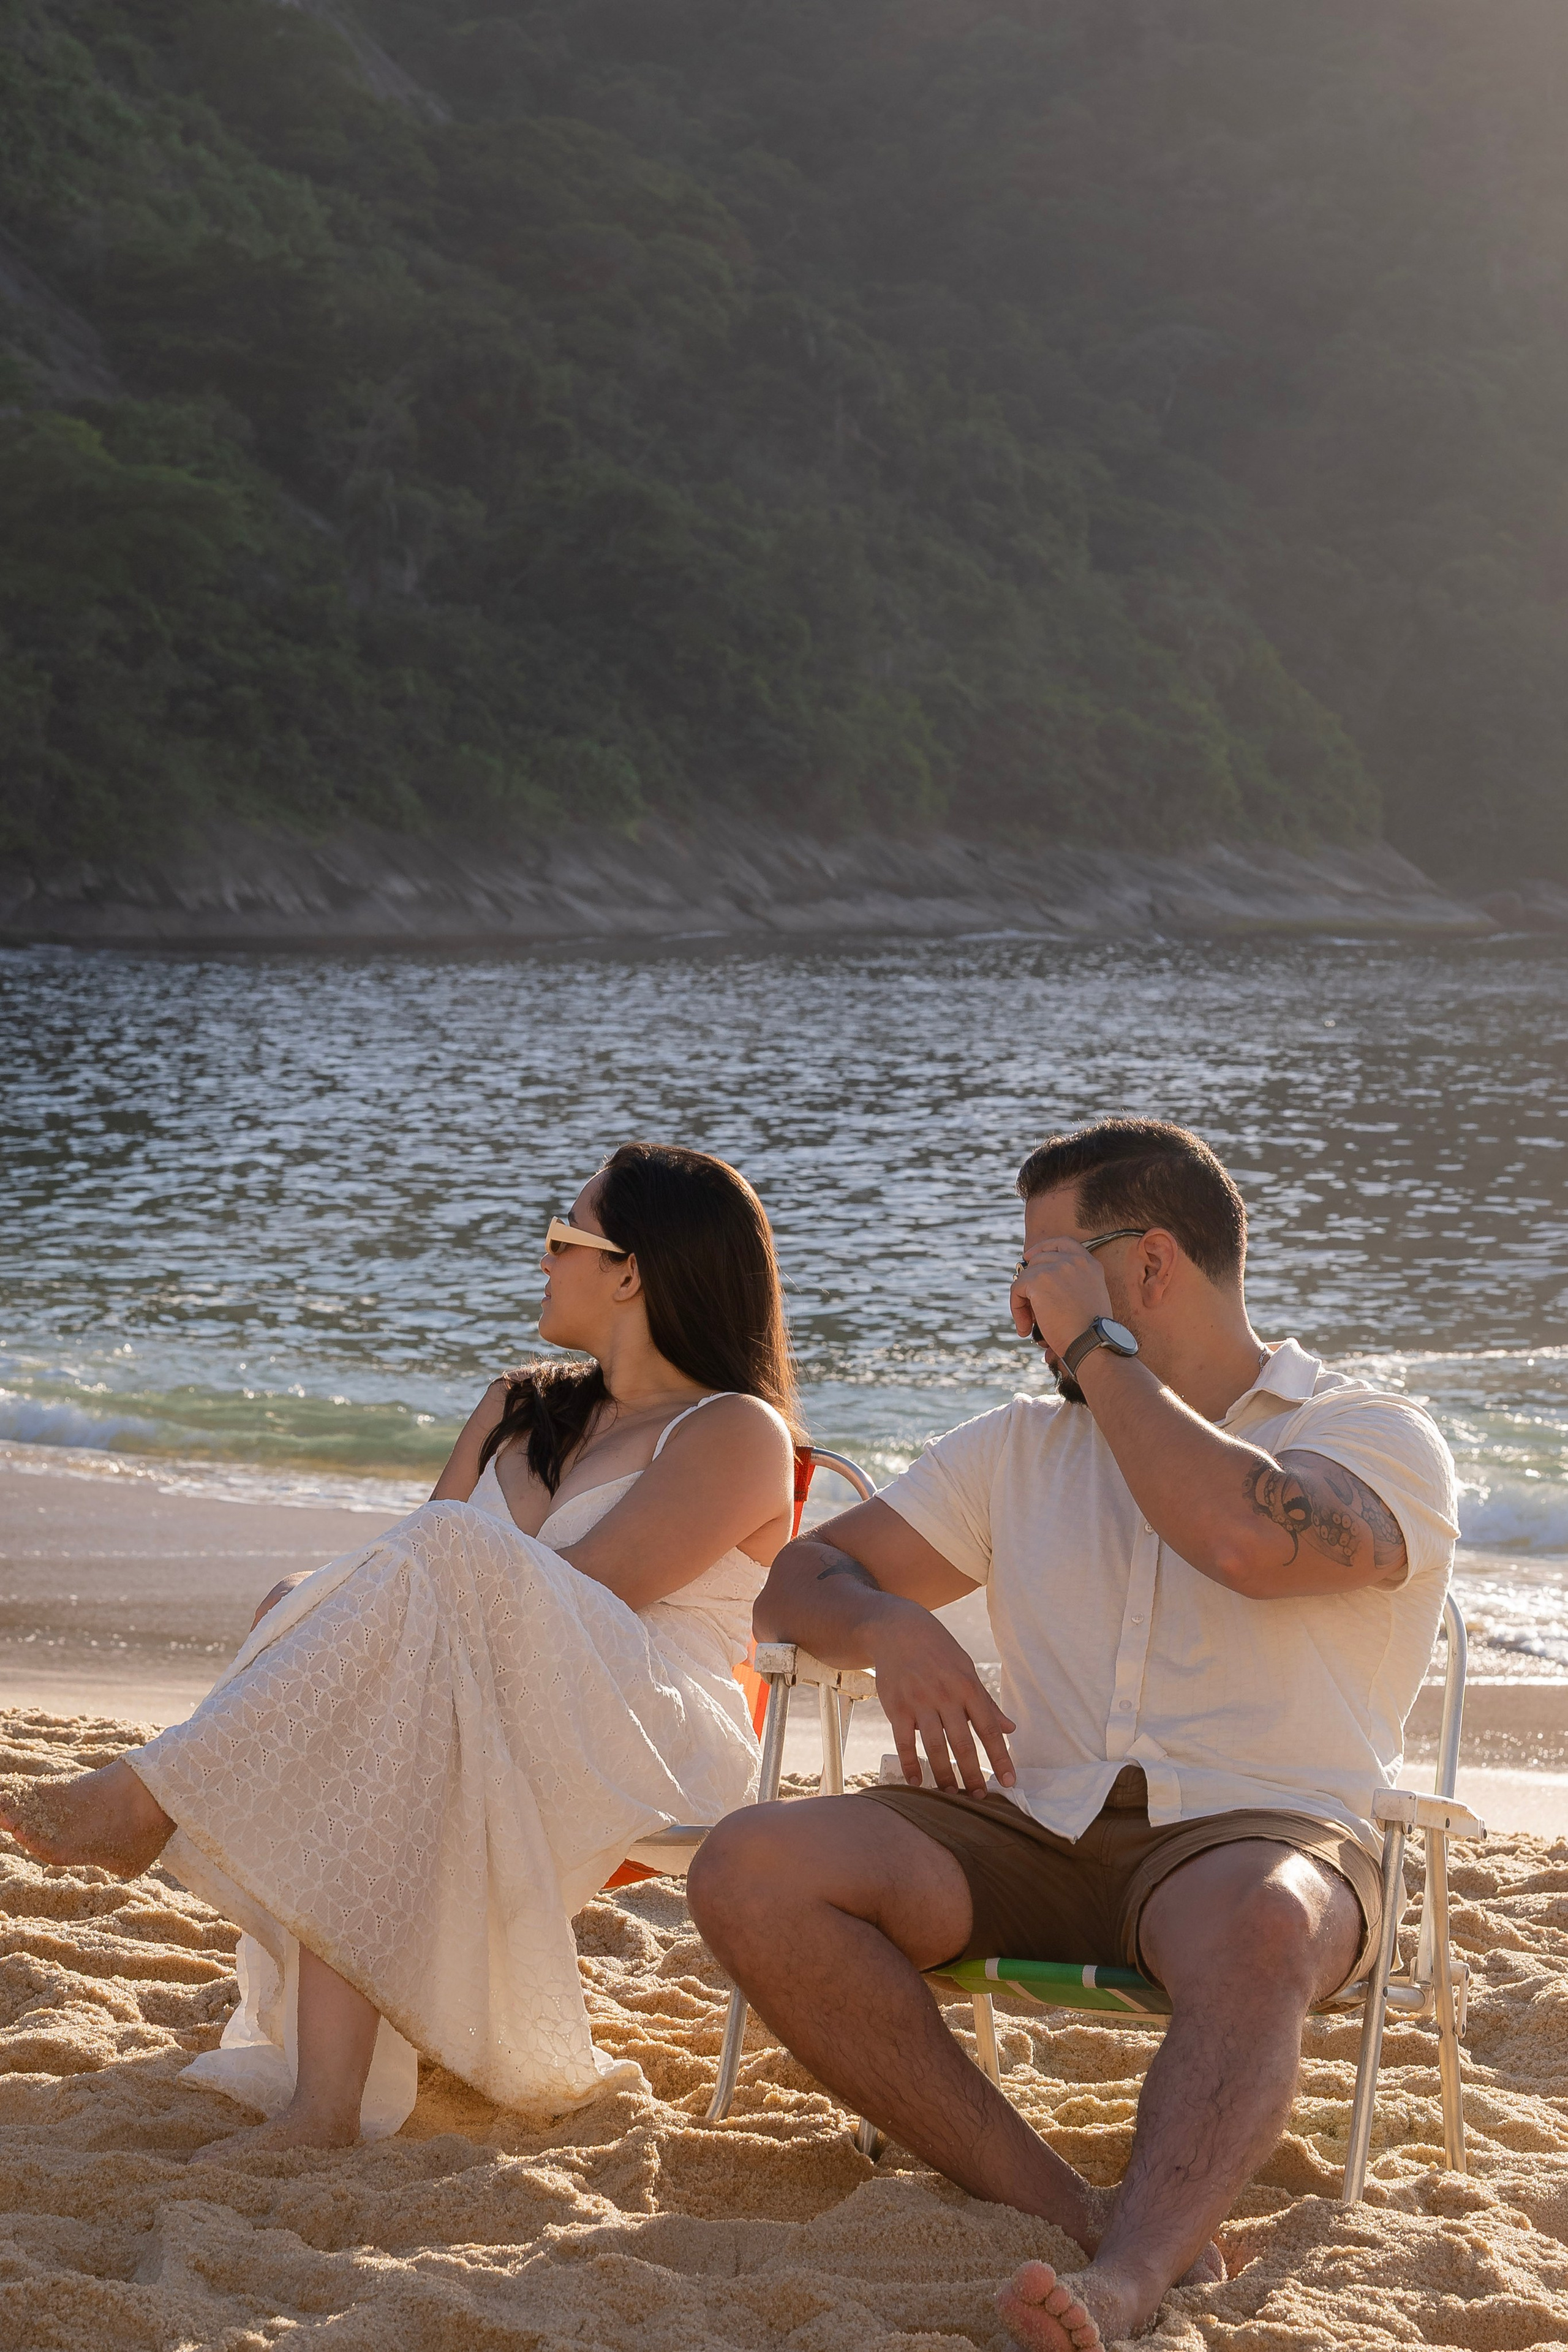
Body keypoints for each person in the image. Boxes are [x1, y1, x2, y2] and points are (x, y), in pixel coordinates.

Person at [688, 1118, 1458, 2352]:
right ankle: (1065, 2207)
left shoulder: (1364, 1435)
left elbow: (1242, 1542)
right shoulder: (1019, 1448)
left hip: (1254, 1834)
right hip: (1034, 1822)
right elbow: (796, 1578)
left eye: (1044, 1269)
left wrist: (1095, 1352)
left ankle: (1131, 2280)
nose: (1017, 1309)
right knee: (747, 1865)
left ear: (1145, 1267)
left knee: (1260, 1916)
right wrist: (891, 1625)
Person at [0, 1142, 797, 2155]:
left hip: (645, 1731)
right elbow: (412, 1588)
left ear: (631, 1270)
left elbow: (588, 1588)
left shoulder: (736, 1431)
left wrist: (381, 1596)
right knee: (354, 1666)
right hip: (480, 1704)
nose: (543, 1257)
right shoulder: (521, 1404)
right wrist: (316, 1603)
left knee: (435, 1584)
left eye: (564, 1237)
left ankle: (146, 1796)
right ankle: (324, 2110)